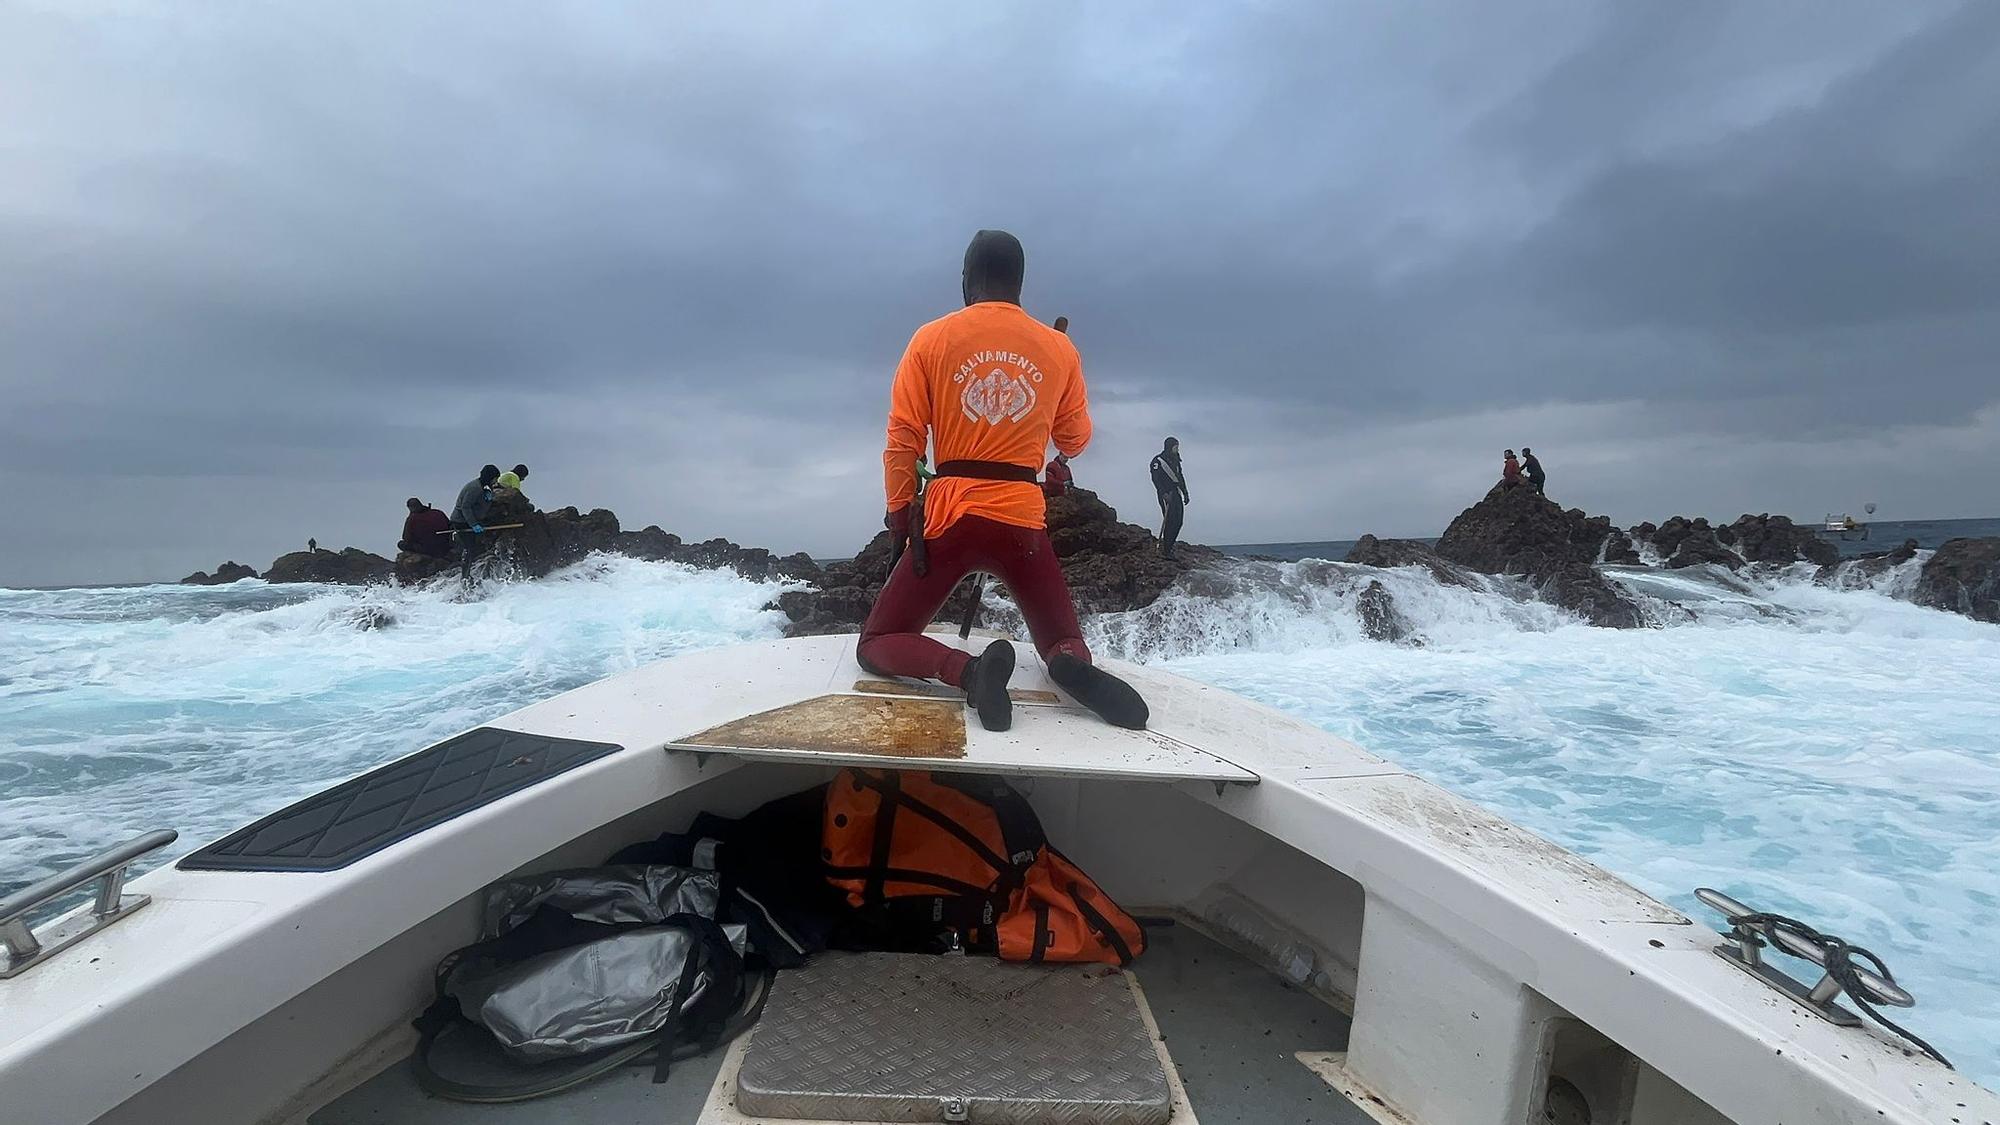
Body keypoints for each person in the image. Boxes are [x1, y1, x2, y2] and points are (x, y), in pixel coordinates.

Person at [859, 229, 1147, 733]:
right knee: (1059, 638)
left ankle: (968, 672)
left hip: (950, 519)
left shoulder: (930, 338)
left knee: (878, 642)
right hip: (1022, 521)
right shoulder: (1057, 348)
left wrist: (900, 512)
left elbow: (904, 438)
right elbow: (1075, 439)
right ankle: (1069, 665)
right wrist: (1061, 372)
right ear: (1019, 282)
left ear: (967, 280)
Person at [452, 464, 502, 579]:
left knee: (477, 546)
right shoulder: (474, 488)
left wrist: (486, 498)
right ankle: (465, 577)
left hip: (471, 520)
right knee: (469, 548)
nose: (496, 481)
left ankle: (474, 573)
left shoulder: (482, 487)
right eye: (495, 478)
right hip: (461, 522)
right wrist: (474, 525)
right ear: (489, 477)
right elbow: (465, 507)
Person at [1149, 437, 1189, 560]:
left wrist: (1185, 493)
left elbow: (1180, 477)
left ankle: (1169, 546)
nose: (1177, 449)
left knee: (1178, 521)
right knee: (1170, 520)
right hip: (1166, 494)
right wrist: (1163, 493)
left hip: (1176, 493)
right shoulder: (1158, 461)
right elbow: (1155, 479)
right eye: (1175, 447)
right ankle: (1166, 550)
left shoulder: (1176, 461)